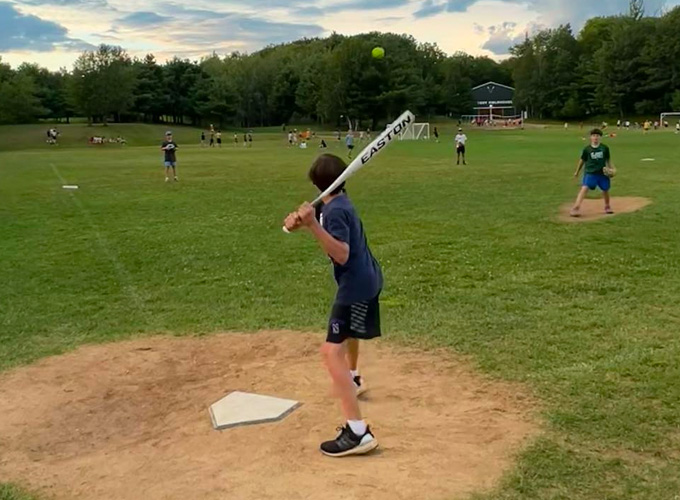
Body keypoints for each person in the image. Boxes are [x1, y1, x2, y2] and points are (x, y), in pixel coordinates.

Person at [283, 154, 382, 458]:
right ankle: (352, 377)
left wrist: (312, 225)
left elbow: (340, 253)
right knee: (347, 336)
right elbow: (324, 211)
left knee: (330, 351)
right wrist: (303, 220)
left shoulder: (334, 212)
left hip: (355, 287)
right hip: (366, 280)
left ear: (315, 183)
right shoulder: (336, 203)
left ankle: (357, 431)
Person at [570, 128, 614, 217]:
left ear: (600, 137)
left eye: (597, 136)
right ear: (590, 137)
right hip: (590, 173)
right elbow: (582, 160)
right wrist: (577, 171)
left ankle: (607, 206)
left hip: (602, 173)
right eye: (593, 136)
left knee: (605, 189)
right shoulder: (587, 149)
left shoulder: (604, 148)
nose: (595, 138)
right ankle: (576, 207)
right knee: (584, 188)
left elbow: (608, 160)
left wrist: (612, 169)